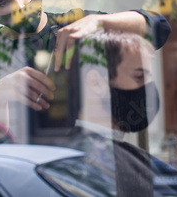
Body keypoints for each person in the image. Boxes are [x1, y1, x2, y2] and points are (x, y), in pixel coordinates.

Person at [0, 0, 170, 134]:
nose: (19, 7)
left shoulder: (76, 24)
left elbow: (158, 28)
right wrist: (1, 94)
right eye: (1, 2)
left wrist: (100, 22)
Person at [65, 30, 159, 196]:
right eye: (139, 77)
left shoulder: (111, 152)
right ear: (96, 83)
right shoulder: (87, 160)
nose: (149, 90)